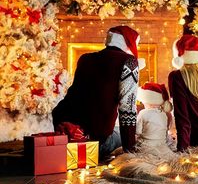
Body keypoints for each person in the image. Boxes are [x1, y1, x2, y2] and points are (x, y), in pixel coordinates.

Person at [52, 25, 144, 160]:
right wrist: (130, 152)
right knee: (139, 136)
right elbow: (127, 108)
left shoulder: (85, 58)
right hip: (95, 142)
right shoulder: (129, 62)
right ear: (130, 43)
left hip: (68, 136)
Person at [136, 82, 175, 155]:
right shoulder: (164, 114)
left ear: (148, 101)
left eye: (143, 102)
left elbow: (137, 131)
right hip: (161, 146)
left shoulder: (143, 113)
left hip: (146, 147)